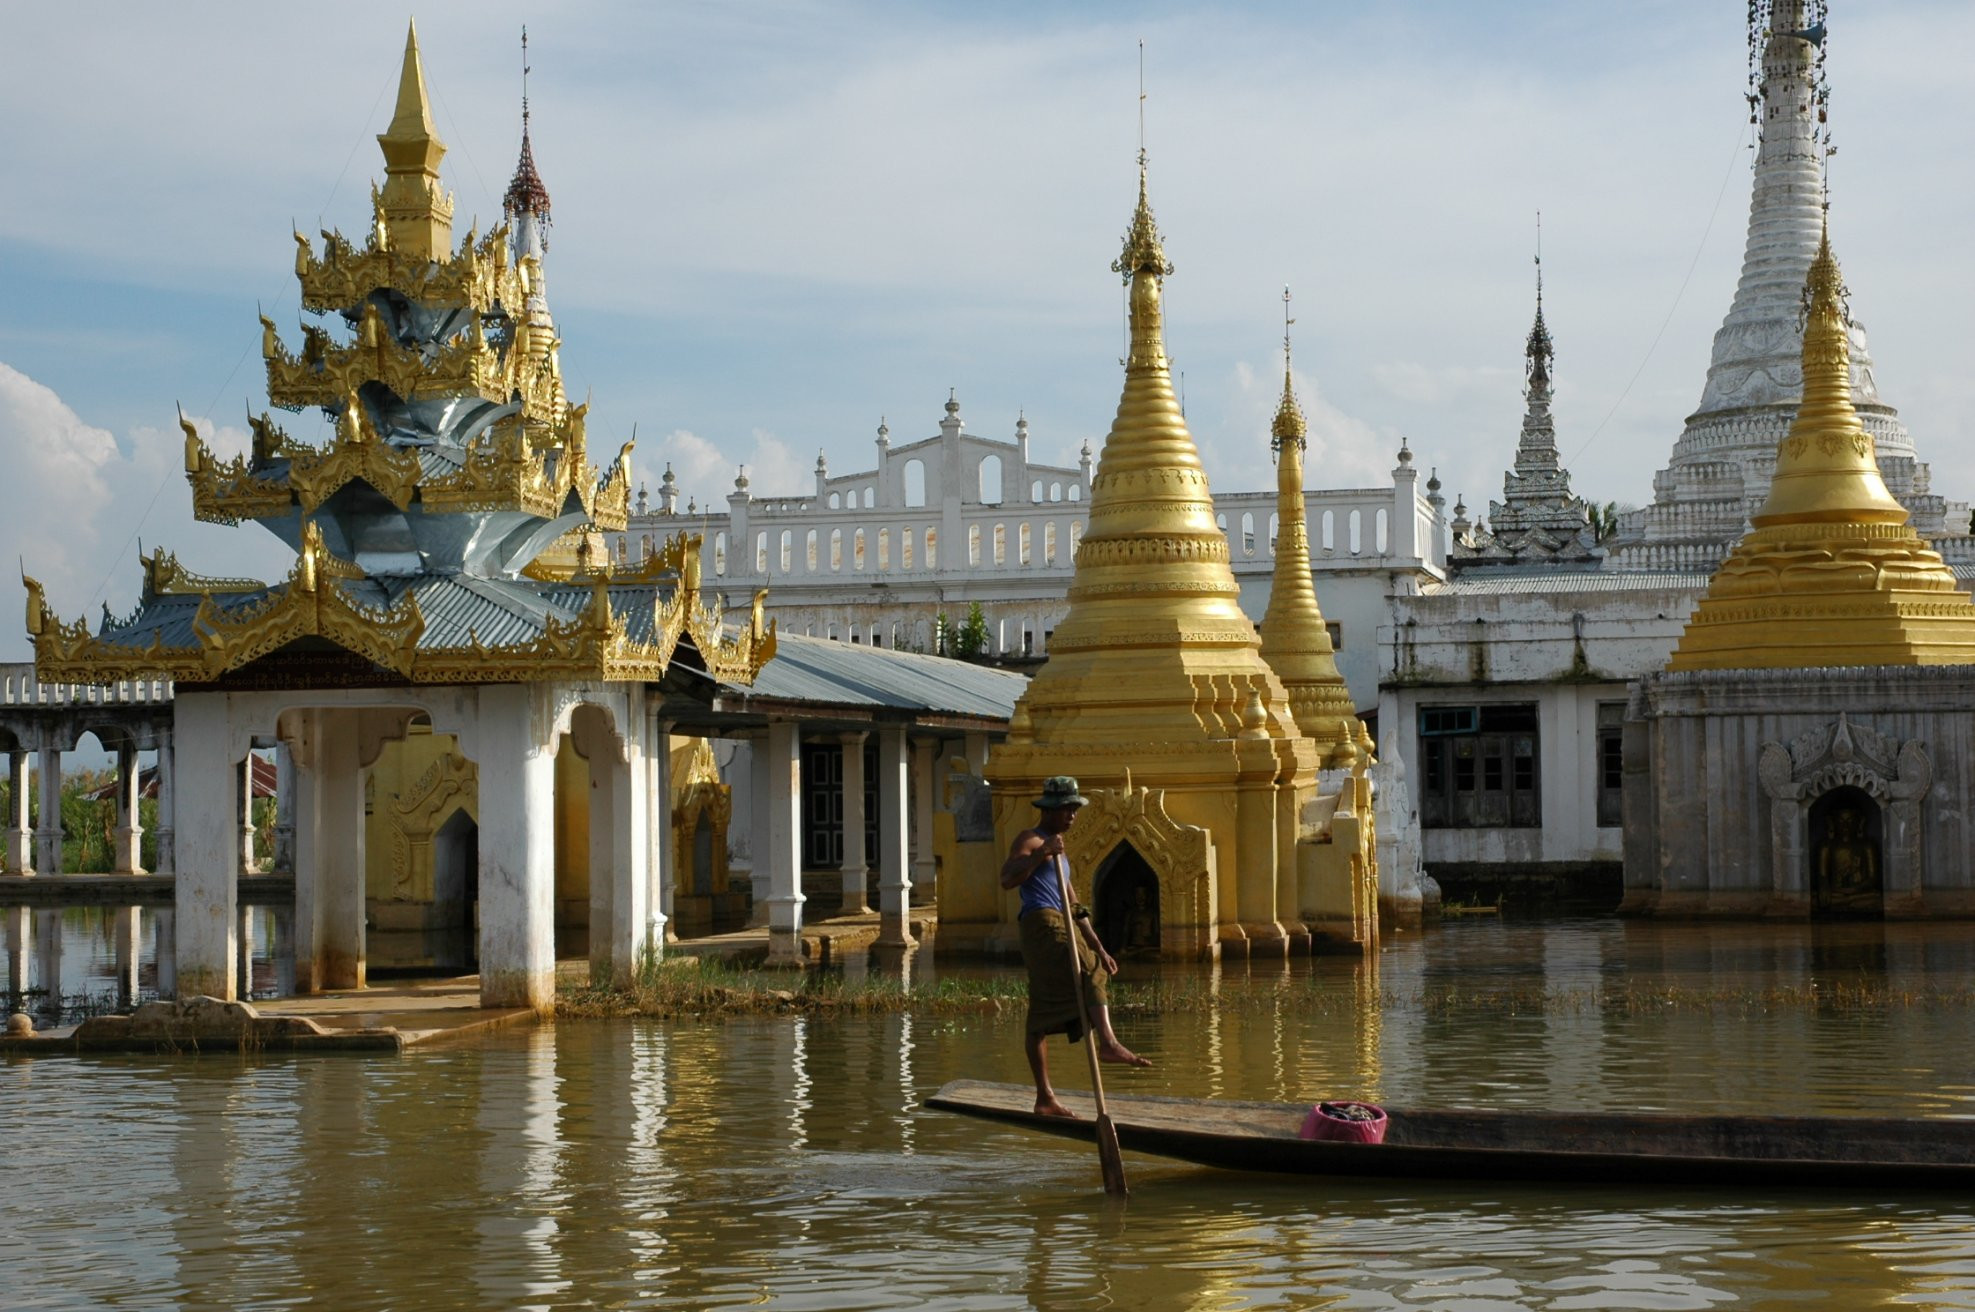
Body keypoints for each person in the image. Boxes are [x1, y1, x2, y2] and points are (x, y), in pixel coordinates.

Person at [1000, 775, 1150, 1118]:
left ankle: (1044, 1098)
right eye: (1067, 809)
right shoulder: (1031, 839)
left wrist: (1098, 944)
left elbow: (1075, 904)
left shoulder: (1061, 854)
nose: (1072, 816)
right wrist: (1040, 854)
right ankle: (1109, 1044)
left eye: (1074, 810)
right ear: (1050, 811)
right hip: (1042, 923)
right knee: (1090, 972)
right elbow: (1007, 878)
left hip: (1064, 921)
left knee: (1041, 1015)